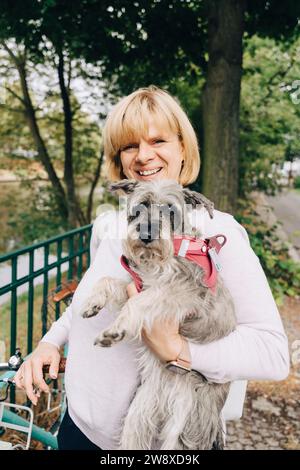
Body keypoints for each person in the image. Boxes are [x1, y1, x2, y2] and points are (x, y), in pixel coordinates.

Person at [13, 85, 290, 450]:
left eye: (157, 140)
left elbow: (272, 353)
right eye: (129, 145)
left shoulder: (216, 232)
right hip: (78, 427)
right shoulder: (111, 225)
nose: (143, 156)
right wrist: (50, 342)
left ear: (182, 149)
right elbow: (87, 303)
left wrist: (179, 350)